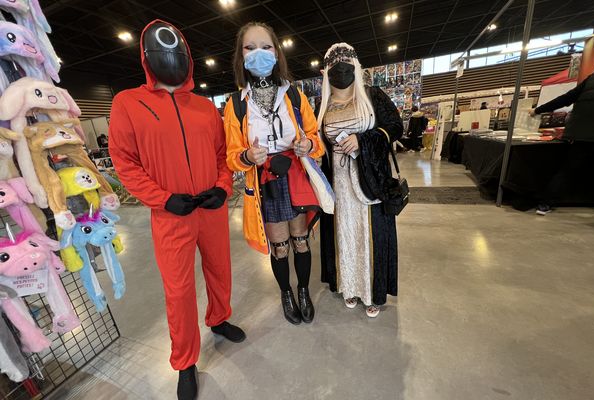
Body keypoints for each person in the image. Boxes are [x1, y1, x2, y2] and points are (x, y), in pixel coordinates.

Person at [108, 20, 245, 400]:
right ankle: (185, 361)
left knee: (220, 269)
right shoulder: (128, 103)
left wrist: (223, 186)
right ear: (147, 57)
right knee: (179, 289)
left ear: (187, 56)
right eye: (163, 52)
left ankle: (219, 319)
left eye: (179, 52)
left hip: (211, 208)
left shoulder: (204, 106)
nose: (172, 59)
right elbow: (125, 162)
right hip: (171, 214)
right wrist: (162, 198)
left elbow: (221, 155)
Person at [223, 22, 324, 325]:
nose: (259, 54)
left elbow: (316, 138)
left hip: (296, 175)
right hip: (266, 180)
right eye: (250, 48)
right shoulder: (235, 105)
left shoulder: (294, 95)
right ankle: (286, 292)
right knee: (280, 246)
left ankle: (304, 290)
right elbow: (231, 156)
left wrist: (308, 143)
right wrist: (247, 156)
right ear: (241, 57)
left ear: (277, 52)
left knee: (301, 240)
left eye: (266, 47)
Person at [317, 42, 402, 318]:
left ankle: (373, 293)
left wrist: (363, 141)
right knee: (344, 236)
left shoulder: (372, 96)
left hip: (370, 183)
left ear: (355, 65)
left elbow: (395, 126)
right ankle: (349, 286)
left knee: (370, 237)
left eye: (345, 61)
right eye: (334, 64)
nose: (340, 68)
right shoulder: (323, 106)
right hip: (338, 187)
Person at [528, 70, 594, 215]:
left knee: (568, 170)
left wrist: (538, 110)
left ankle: (545, 204)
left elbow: (567, 98)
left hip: (580, 132)